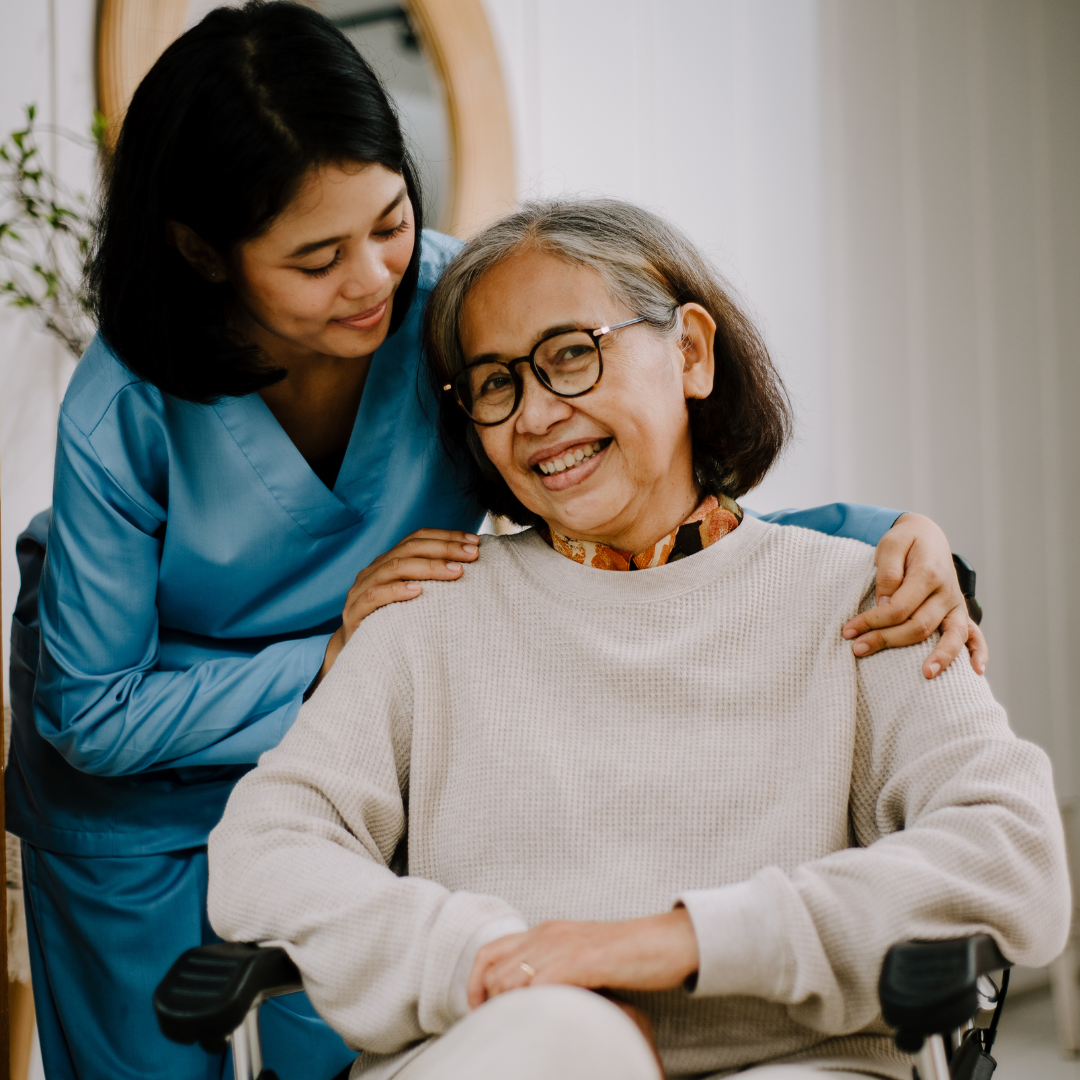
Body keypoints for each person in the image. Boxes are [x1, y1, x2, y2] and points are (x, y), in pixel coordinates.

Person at [6, 5, 980, 1080]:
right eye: (318, 257)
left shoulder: (456, 314)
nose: (375, 276)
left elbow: (624, 493)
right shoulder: (121, 409)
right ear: (205, 254)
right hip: (137, 779)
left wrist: (888, 535)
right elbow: (91, 711)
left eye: (388, 220)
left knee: (335, 1051)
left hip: (354, 752)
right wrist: (333, 657)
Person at [207, 199, 1069, 1080]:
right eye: (497, 382)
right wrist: (492, 965)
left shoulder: (867, 601)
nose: (535, 415)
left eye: (571, 355)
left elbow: (1009, 850)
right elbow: (266, 850)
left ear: (690, 353)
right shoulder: (426, 615)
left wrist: (682, 941)